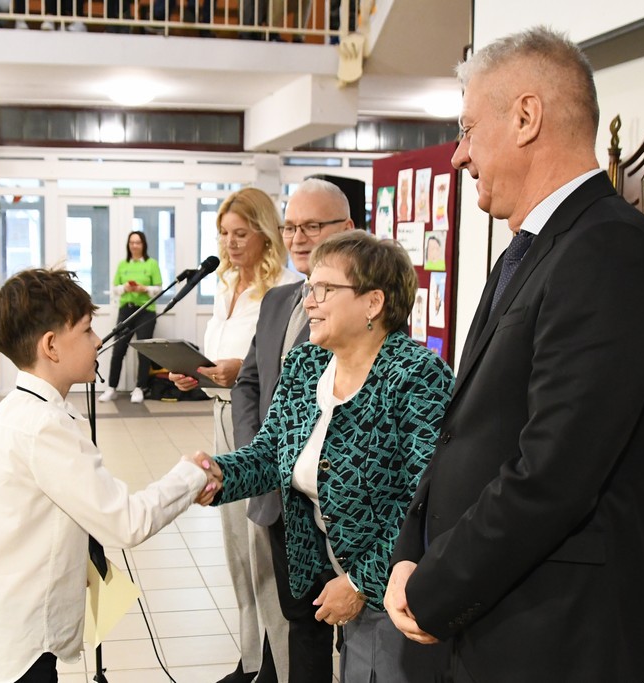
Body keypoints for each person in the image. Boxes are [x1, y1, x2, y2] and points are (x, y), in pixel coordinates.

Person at [385, 26, 644, 682]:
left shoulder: (611, 249)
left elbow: (555, 470)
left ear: (526, 117)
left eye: (468, 129)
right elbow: (466, 430)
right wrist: (411, 550)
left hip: (551, 634)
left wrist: (436, 587)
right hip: (493, 615)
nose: (459, 156)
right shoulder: (532, 249)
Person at [197, 231, 455, 683]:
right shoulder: (306, 364)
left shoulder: (416, 375)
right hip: (322, 565)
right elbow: (271, 452)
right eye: (309, 287)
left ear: (373, 302)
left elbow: (423, 501)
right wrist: (220, 474)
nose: (309, 301)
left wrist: (359, 583)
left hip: (395, 579)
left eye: (324, 289)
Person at [0, 267, 217, 683]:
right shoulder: (46, 427)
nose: (98, 340)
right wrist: (193, 474)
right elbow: (126, 522)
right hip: (18, 652)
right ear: (51, 346)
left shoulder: (10, 412)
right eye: (87, 330)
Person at [169, 187, 301, 683]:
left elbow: (273, 367)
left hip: (259, 421)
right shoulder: (225, 287)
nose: (231, 243)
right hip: (221, 414)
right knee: (236, 548)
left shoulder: (285, 288)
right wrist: (197, 375)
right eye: (224, 233)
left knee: (262, 544)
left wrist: (236, 370)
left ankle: (278, 663)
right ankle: (251, 659)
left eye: (241, 233)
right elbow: (221, 362)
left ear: (265, 234)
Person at [230, 178, 354, 682]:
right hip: (282, 498)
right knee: (301, 621)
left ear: (346, 228)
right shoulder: (278, 300)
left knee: (357, 628)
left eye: (312, 226)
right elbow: (248, 384)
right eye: (290, 227)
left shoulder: (368, 308)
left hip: (341, 503)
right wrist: (258, 458)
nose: (298, 238)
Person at [99, 230, 163, 404]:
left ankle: (140, 388)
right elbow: (115, 289)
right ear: (128, 245)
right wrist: (125, 288)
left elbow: (159, 289)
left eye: (138, 242)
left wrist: (145, 289)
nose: (134, 245)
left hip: (146, 311)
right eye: (132, 242)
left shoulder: (151, 264)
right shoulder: (123, 265)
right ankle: (112, 388)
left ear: (143, 245)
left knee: (143, 350)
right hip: (126, 310)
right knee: (118, 349)